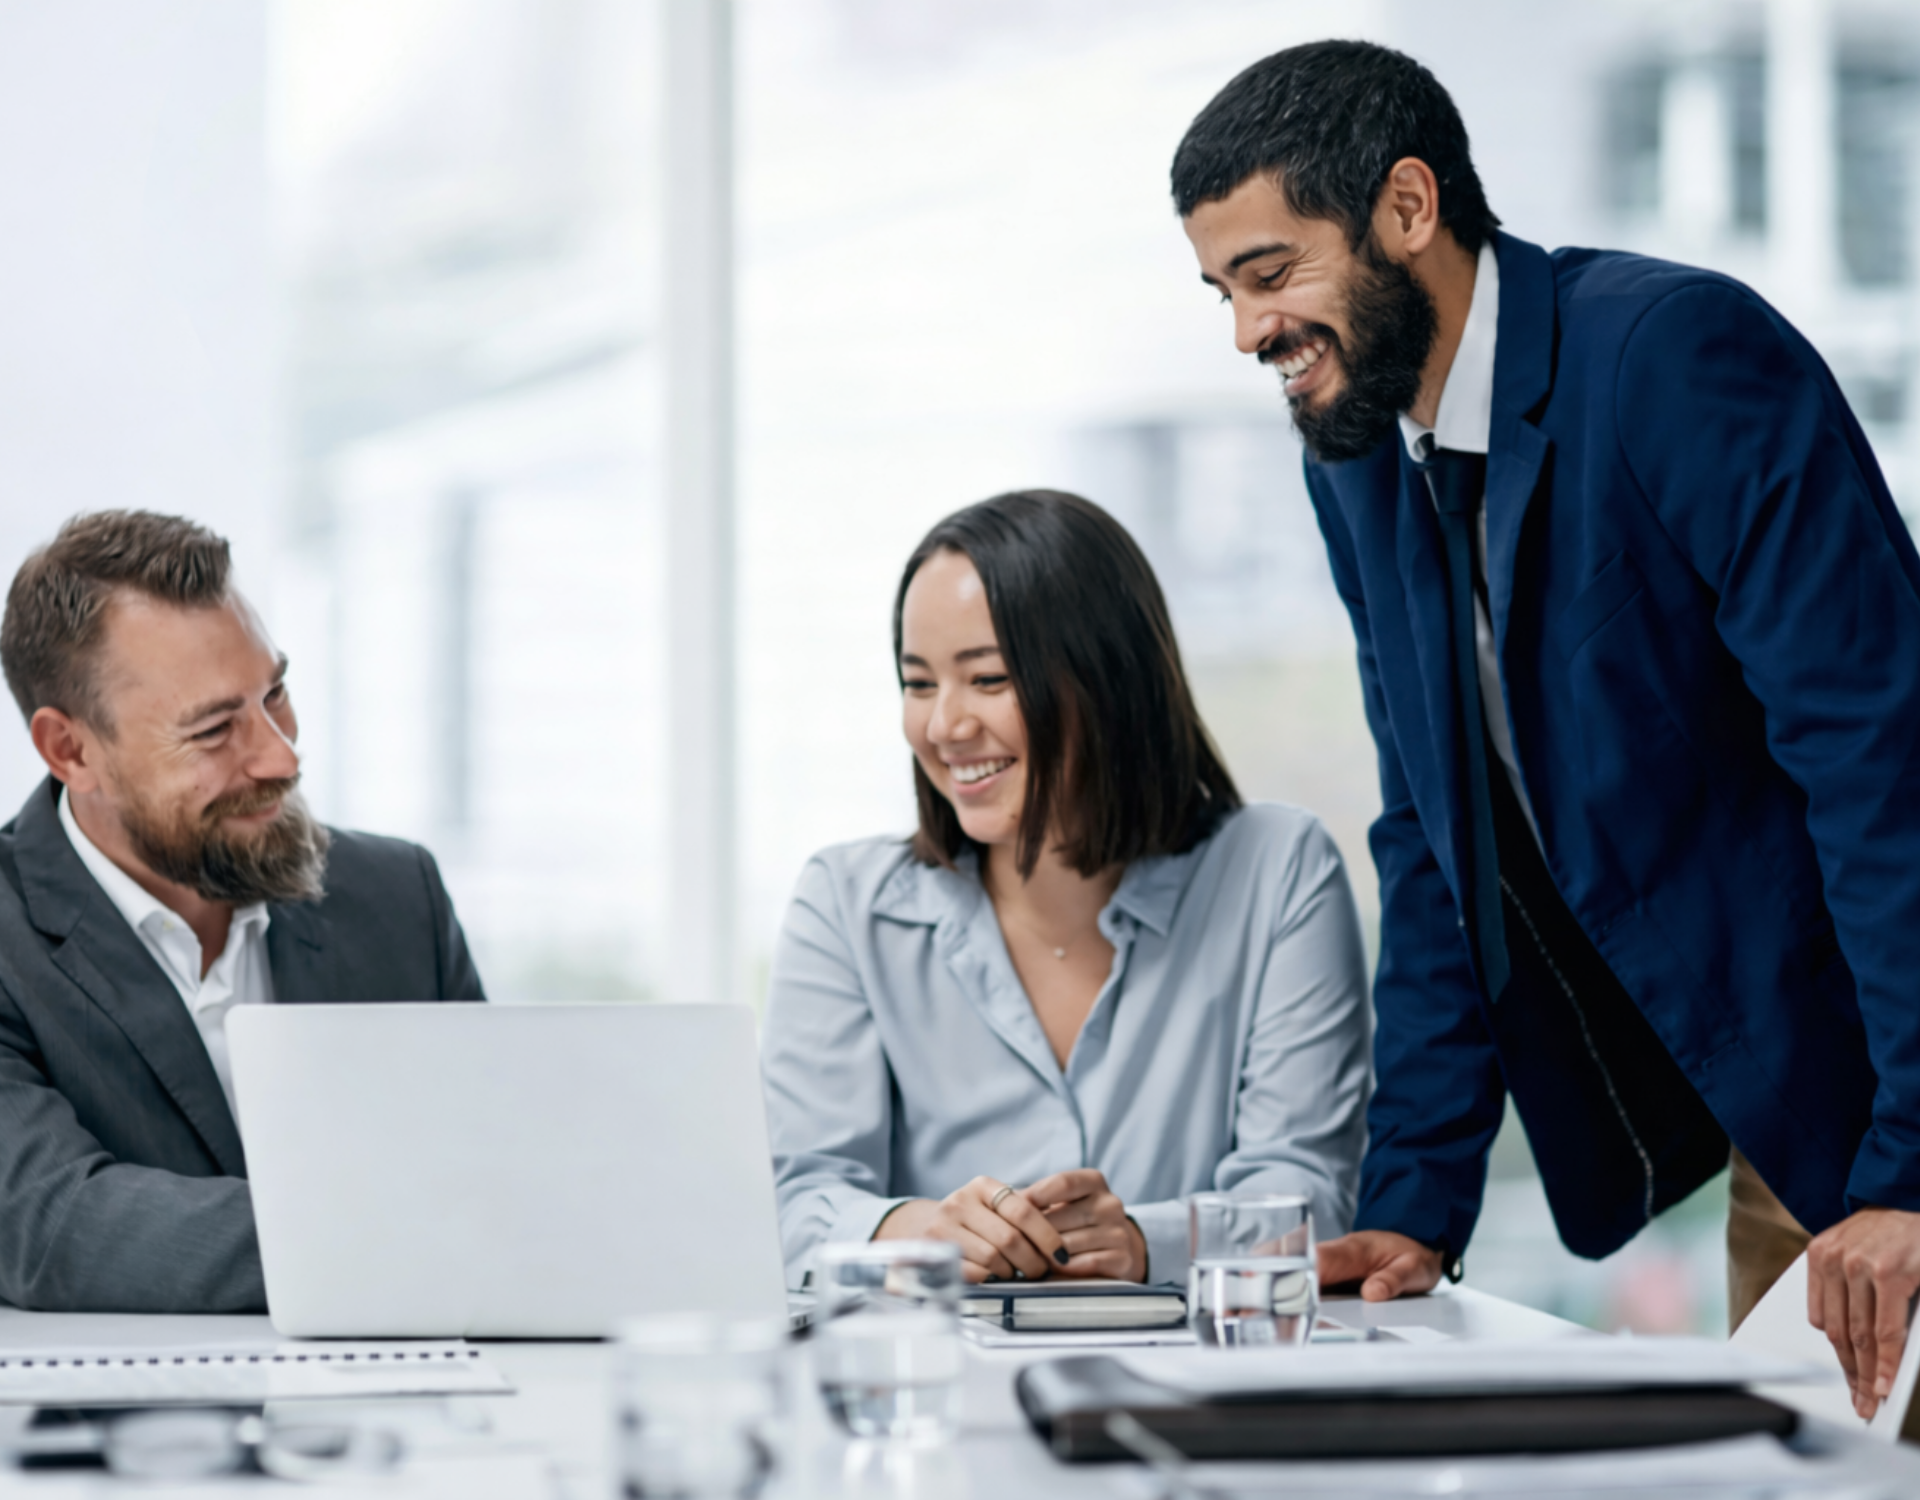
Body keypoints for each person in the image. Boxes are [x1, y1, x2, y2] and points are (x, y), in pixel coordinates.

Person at [1172, 39, 1920, 1415]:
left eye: (1271, 275)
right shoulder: (1358, 461)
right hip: (1797, 1144)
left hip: (1895, 1110)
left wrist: (1913, 1171)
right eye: (1222, 291)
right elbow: (1435, 835)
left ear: (1408, 209)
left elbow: (1885, 763)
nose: (1245, 333)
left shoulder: (1674, 358)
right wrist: (1413, 1204)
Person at [760, 489, 1371, 1287]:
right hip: (934, 1385)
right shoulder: (845, 904)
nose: (944, 726)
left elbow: (1307, 1199)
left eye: (987, 679)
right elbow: (790, 1201)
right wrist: (920, 1230)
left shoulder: (1279, 871)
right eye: (918, 684)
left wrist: (1146, 1243)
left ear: (1107, 679)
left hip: (1194, 1389)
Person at [0, 510, 484, 1313]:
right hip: (126, 1426)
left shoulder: (398, 898)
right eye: (216, 728)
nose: (281, 756)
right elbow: (51, 1228)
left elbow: (495, 1161)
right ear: (71, 751)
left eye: (276, 695)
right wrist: (423, 1232)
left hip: (390, 1414)